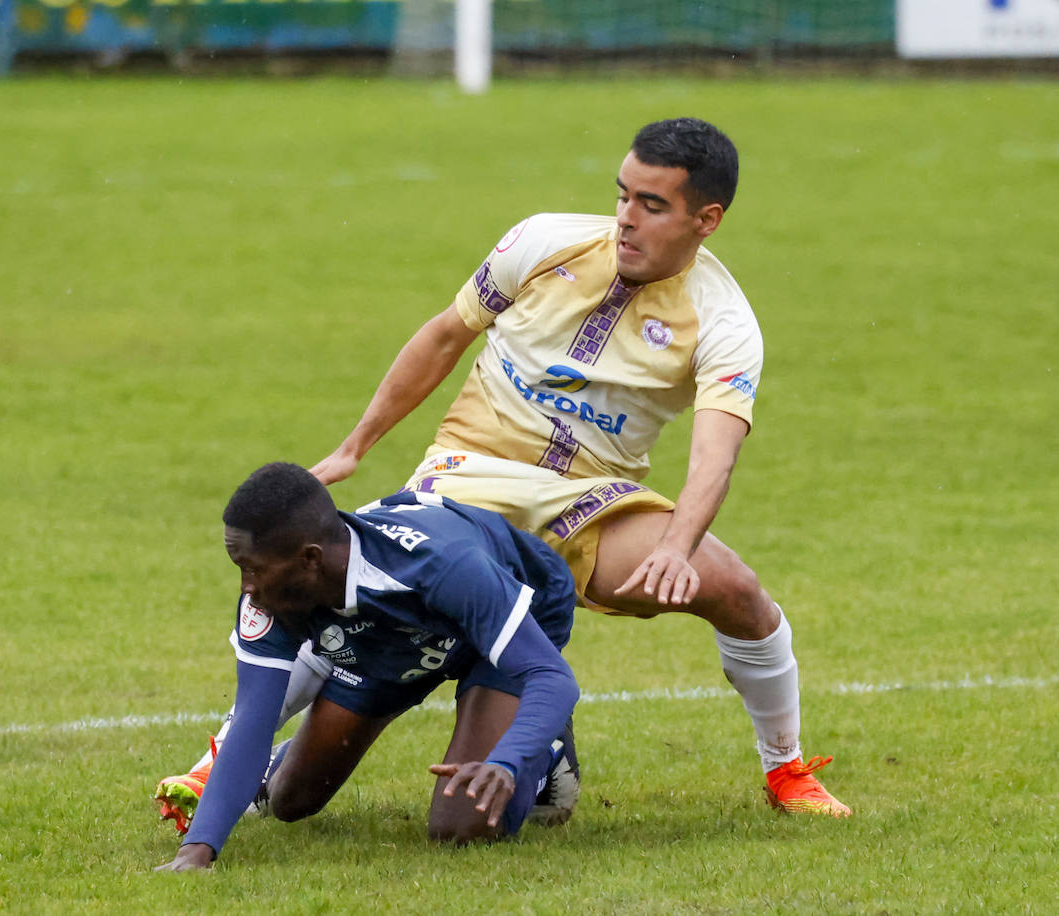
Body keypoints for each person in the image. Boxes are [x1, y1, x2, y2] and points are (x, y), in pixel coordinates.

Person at [157, 116, 849, 824]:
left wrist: (677, 547)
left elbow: (716, 453)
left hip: (588, 496)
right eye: (622, 195)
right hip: (465, 476)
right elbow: (444, 335)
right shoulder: (544, 241)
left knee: (735, 588)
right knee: (355, 609)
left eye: (652, 205)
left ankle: (786, 768)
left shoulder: (725, 323)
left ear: (707, 219)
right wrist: (356, 445)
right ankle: (223, 758)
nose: (626, 220)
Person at [155, 462, 581, 871]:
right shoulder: (274, 599)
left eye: (252, 569)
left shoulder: (442, 567)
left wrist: (507, 760)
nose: (246, 587)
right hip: (389, 640)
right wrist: (197, 851)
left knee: (463, 826)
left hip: (511, 613)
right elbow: (253, 719)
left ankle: (547, 749)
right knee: (289, 799)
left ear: (310, 559)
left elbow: (553, 678)